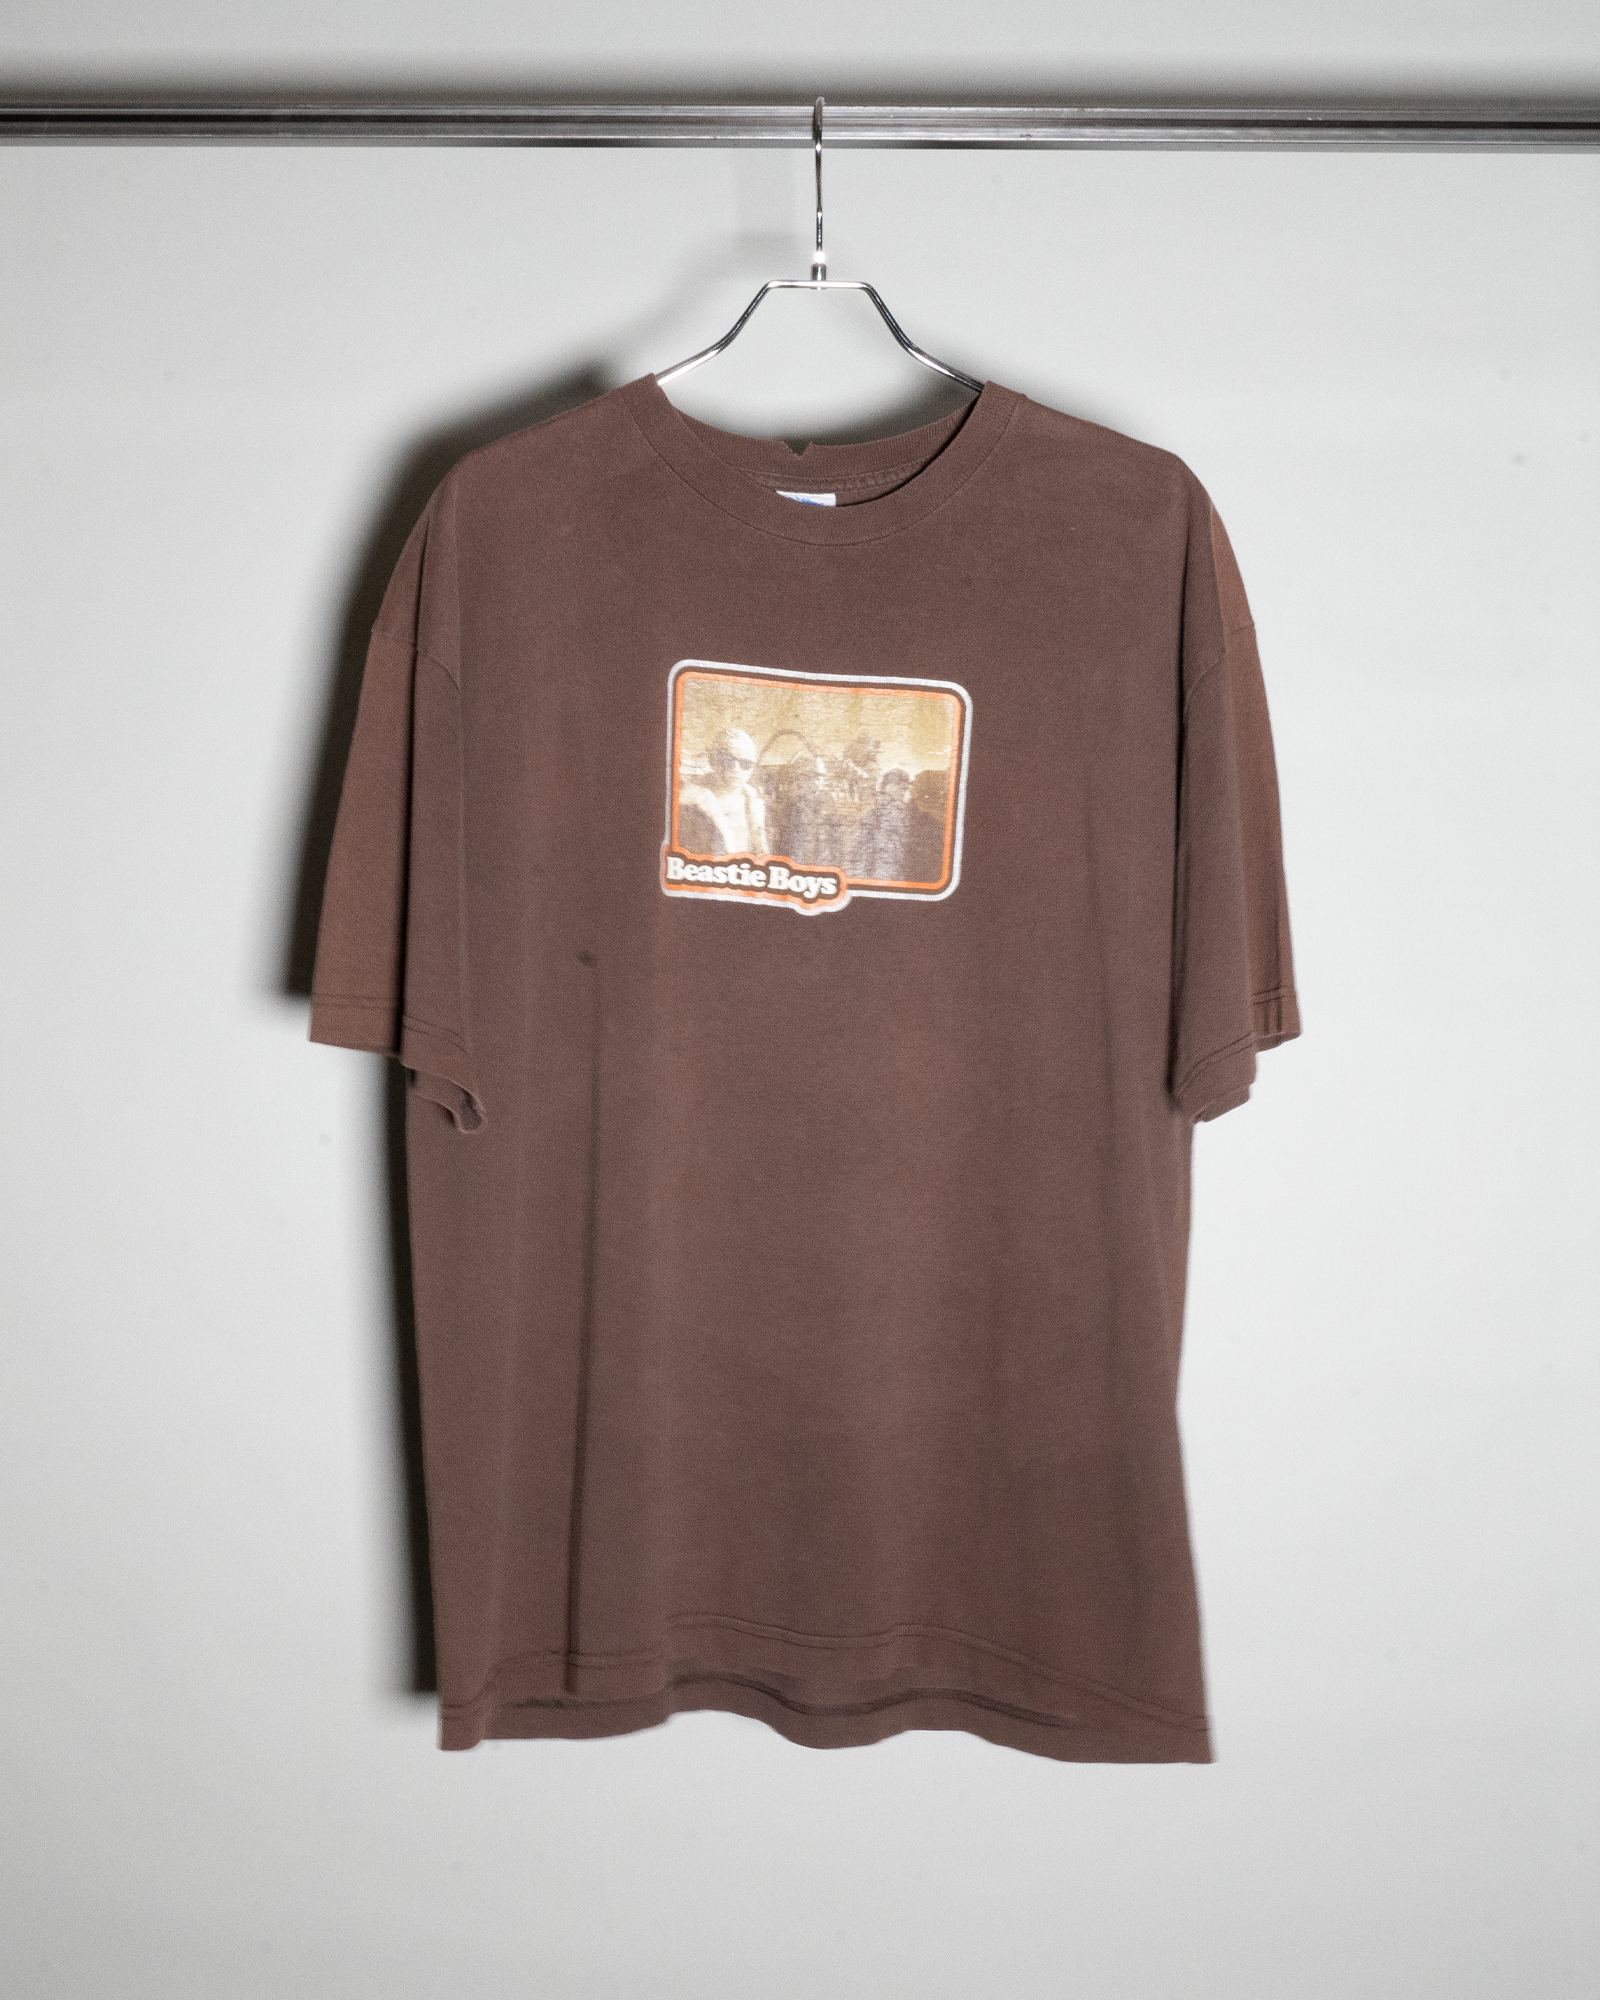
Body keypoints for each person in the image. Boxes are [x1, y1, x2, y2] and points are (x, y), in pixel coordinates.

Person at [677, 727, 767, 858]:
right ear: (713, 761)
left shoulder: (755, 805)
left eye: (745, 763)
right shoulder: (689, 803)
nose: (736, 769)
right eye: (728, 760)